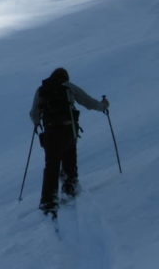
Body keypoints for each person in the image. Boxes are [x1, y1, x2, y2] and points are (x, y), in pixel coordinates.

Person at [29, 67, 109, 216]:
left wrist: (37, 122)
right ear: (65, 78)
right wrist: (103, 106)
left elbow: (34, 113)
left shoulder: (42, 90)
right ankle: (69, 191)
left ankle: (48, 202)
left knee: (51, 166)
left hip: (51, 134)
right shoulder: (68, 87)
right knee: (69, 160)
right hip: (68, 131)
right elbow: (88, 102)